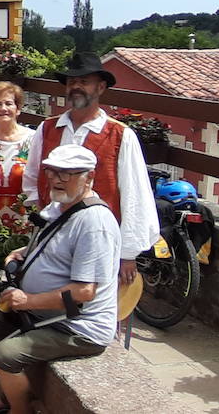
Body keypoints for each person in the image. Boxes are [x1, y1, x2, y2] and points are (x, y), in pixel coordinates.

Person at [0, 144, 119, 414]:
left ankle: (20, 409)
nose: (58, 179)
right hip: (45, 315)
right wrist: (22, 253)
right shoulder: (60, 206)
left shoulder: (94, 223)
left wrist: (29, 300)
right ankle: (16, 391)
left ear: (89, 178)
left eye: (69, 174)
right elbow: (50, 247)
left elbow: (84, 293)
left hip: (77, 325)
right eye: (53, 172)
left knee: (5, 356)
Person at [21, 51, 158, 286]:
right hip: (54, 236)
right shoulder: (47, 129)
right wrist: (42, 221)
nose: (76, 87)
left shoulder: (120, 135)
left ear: (101, 87)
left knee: (93, 302)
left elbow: (135, 195)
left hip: (99, 239)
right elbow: (33, 177)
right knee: (48, 299)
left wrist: (128, 253)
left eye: (84, 81)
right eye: (72, 82)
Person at [0, 81, 36, 230]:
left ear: (18, 109)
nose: (3, 108)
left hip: (25, 218)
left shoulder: (34, 139)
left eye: (9, 103)